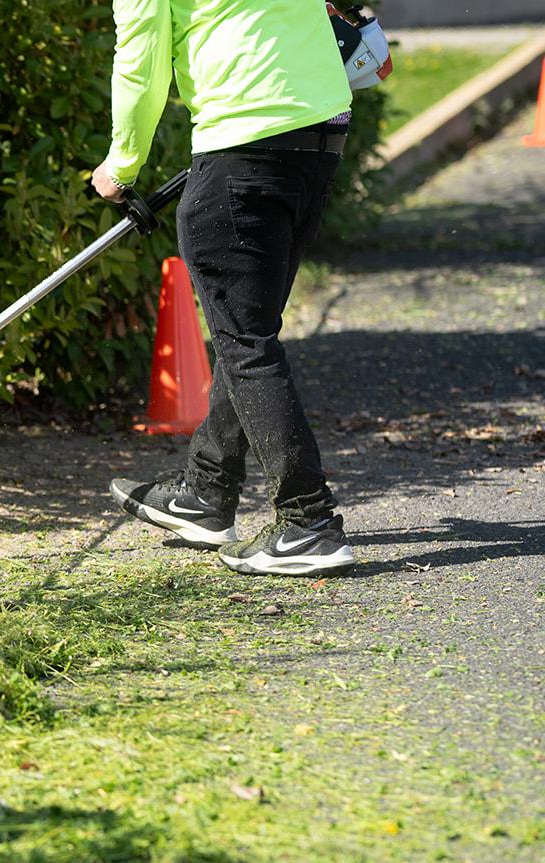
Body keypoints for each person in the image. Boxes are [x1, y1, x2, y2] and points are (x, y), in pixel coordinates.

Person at [97, 0, 357, 577]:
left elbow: (140, 61)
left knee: (246, 343)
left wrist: (122, 166)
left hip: (244, 145)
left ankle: (308, 522)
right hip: (319, 139)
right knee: (250, 333)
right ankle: (207, 493)